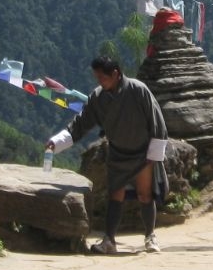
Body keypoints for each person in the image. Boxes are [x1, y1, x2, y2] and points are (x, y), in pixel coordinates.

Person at [47, 56, 168, 254]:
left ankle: (150, 236)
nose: (99, 82)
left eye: (102, 77)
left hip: (143, 153)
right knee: (115, 195)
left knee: (145, 194)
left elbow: (157, 122)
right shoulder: (98, 98)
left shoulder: (138, 90)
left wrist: (153, 155)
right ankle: (109, 240)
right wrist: (57, 141)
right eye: (97, 77)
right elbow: (81, 123)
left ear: (115, 74)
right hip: (118, 153)